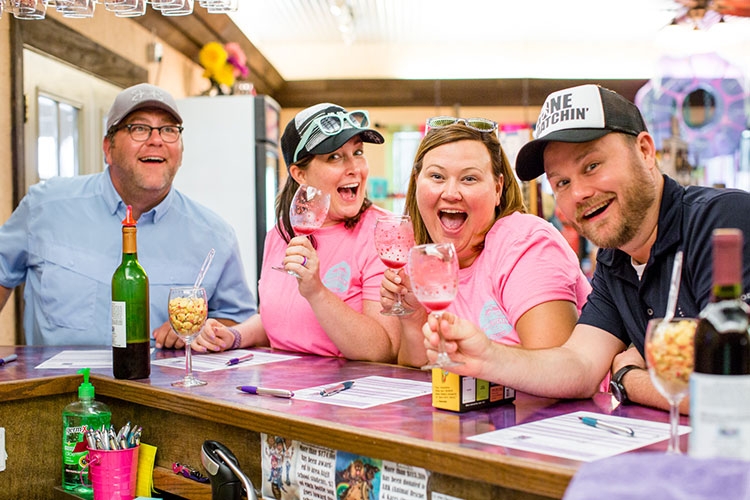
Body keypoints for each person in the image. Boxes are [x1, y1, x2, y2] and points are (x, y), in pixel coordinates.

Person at [420, 84, 750, 411]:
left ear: (646, 151)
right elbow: (578, 365)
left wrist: (627, 376)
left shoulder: (725, 225)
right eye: (561, 182)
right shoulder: (615, 259)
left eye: (591, 166)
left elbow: (732, 395)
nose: (578, 194)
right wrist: (488, 358)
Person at [0, 83, 256, 346]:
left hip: (162, 387)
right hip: (57, 387)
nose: (156, 140)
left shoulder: (215, 237)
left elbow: (240, 323)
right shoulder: (45, 207)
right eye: (139, 128)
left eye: (169, 130)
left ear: (180, 152)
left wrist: (202, 328)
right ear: (108, 148)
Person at [192, 103, 400, 362]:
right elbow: (280, 321)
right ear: (299, 173)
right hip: (279, 394)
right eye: (334, 157)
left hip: (346, 396)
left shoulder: (384, 233)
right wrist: (234, 336)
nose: (354, 167)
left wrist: (316, 291)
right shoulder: (280, 234)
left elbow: (382, 351)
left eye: (358, 152)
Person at [380, 117, 592, 367]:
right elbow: (418, 374)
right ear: (417, 183)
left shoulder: (525, 244)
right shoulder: (427, 257)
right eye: (437, 176)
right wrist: (414, 318)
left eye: (469, 179)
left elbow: (556, 374)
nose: (450, 193)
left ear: (497, 189)